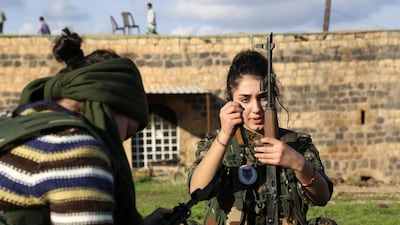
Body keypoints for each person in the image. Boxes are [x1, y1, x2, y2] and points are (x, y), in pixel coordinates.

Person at [0, 27, 171, 224]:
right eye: (128, 130)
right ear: (109, 106)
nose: (121, 141)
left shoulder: (14, 121)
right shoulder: (73, 149)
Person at [188, 50, 337, 225]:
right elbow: (197, 191)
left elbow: (322, 197)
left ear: (273, 96)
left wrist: (298, 163)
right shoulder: (218, 143)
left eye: (263, 97)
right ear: (231, 99)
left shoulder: (297, 143)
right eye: (245, 99)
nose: (256, 108)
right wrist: (225, 135)